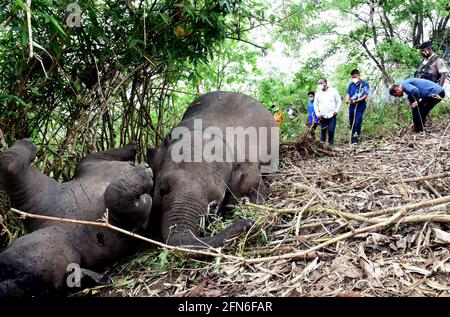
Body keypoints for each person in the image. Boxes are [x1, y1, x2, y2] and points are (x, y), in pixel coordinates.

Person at [314, 78, 342, 145]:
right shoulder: (318, 93)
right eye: (319, 84)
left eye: (321, 83)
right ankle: (322, 145)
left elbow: (339, 101)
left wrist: (336, 110)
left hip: (332, 115)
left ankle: (330, 145)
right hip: (322, 116)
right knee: (323, 131)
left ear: (326, 83)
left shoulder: (333, 91)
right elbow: (315, 105)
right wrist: (318, 114)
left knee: (331, 130)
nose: (320, 85)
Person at [345, 69, 370, 144]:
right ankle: (352, 139)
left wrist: (357, 101)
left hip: (360, 105)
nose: (354, 79)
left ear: (359, 75)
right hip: (352, 105)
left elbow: (365, 95)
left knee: (358, 121)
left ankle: (356, 139)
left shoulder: (364, 84)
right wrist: (347, 100)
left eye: (355, 77)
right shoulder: (351, 85)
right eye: (353, 77)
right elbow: (348, 94)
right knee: (351, 121)